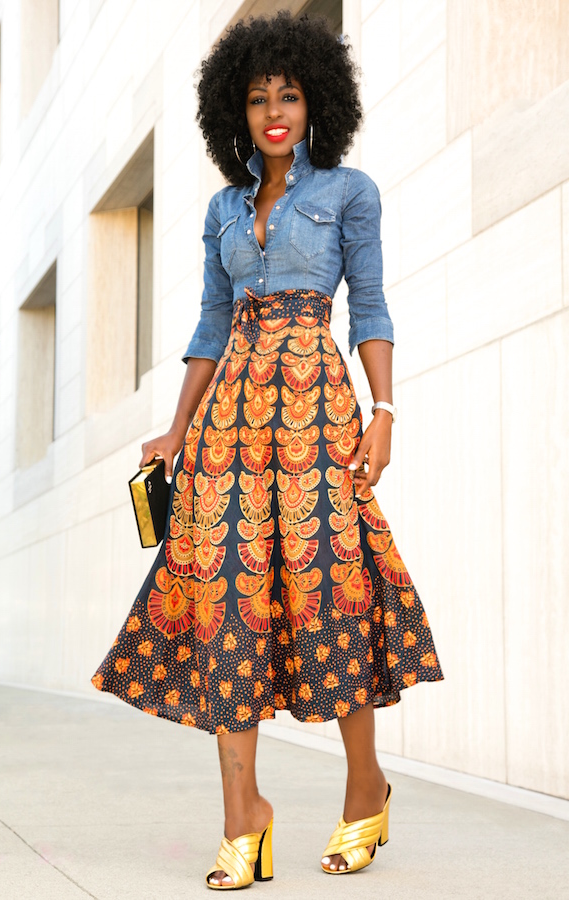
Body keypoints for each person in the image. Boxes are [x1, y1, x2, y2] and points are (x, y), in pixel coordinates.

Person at [91, 11, 443, 890]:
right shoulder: (221, 207)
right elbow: (210, 323)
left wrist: (385, 409)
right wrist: (177, 425)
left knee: (333, 582)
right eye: (257, 99)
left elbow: (370, 306)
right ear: (235, 112)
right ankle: (242, 815)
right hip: (225, 426)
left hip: (317, 412)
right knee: (225, 595)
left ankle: (366, 788)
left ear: (316, 99)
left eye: (288, 94)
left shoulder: (348, 192)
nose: (274, 112)